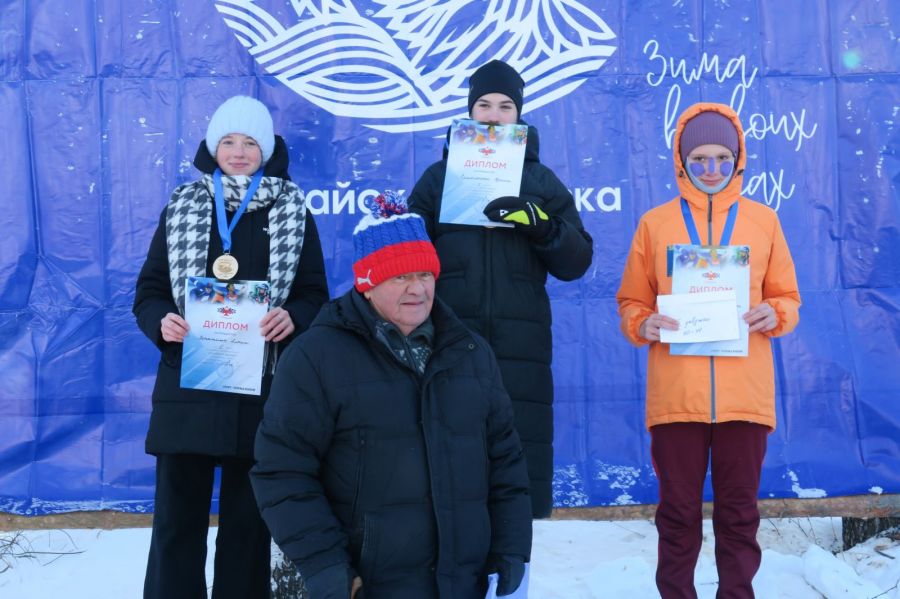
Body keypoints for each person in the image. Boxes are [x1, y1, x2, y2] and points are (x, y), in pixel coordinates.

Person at [250, 192, 533, 599]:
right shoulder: (316, 356)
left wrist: (510, 548)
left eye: (425, 275)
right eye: (400, 276)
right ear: (367, 285)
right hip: (369, 585)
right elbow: (282, 470)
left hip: (462, 584)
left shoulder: (471, 352)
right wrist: (326, 565)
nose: (416, 289)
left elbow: (506, 461)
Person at [133, 95, 329, 599]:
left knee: (248, 532)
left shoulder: (292, 212)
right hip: (188, 388)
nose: (238, 152)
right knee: (176, 529)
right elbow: (149, 292)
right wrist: (163, 323)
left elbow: (313, 294)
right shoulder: (182, 207)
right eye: (228, 141)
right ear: (212, 146)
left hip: (260, 393)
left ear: (266, 150)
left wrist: (295, 317)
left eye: (249, 143)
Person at [616, 102, 801, 599]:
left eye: (722, 157)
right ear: (680, 159)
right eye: (699, 158)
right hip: (677, 399)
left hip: (746, 397)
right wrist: (643, 322)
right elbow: (631, 300)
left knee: (739, 513)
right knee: (677, 513)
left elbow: (788, 296)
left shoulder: (763, 221)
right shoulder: (656, 224)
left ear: (739, 158)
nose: (711, 169)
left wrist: (775, 314)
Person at [408, 59, 594, 518]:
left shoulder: (542, 181)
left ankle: (511, 586)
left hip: (522, 348)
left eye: (505, 105)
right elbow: (407, 255)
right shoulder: (437, 178)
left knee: (515, 485)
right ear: (470, 113)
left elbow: (578, 260)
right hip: (449, 340)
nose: (493, 114)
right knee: (448, 485)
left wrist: (542, 224)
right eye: (484, 104)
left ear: (520, 115)